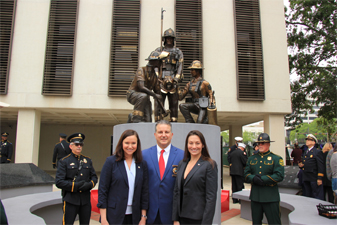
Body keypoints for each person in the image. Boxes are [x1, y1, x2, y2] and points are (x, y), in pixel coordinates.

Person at [97, 129, 149, 225]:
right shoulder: (111, 162)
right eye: (127, 143)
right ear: (121, 143)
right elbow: (103, 190)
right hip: (113, 215)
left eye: (133, 143)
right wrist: (104, 218)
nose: (130, 146)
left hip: (134, 216)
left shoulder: (142, 164)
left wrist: (143, 217)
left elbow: (144, 192)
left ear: (137, 145)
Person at [142, 120, 184, 225]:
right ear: (155, 135)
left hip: (171, 214)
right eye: (160, 132)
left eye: (167, 132)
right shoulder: (144, 155)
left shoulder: (182, 156)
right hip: (150, 213)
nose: (163, 135)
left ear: (172, 135)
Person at [172, 130, 218, 225]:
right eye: (191, 143)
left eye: (197, 143)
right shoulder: (182, 163)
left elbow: (211, 197)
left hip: (198, 219)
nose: (194, 146)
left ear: (203, 145)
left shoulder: (209, 165)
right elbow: (177, 191)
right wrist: (175, 218)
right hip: (182, 218)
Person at [55, 133, 98, 225]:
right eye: (76, 144)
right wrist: (76, 185)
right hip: (71, 199)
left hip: (85, 200)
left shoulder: (87, 160)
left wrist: (89, 185)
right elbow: (59, 182)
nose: (79, 146)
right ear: (71, 146)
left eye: (81, 144)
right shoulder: (64, 162)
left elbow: (94, 177)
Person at [244, 133, 284, 225]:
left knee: (274, 222)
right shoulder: (252, 159)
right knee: (256, 222)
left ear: (268, 144)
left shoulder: (276, 158)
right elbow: (246, 175)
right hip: (256, 196)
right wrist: (254, 178)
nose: (260, 145)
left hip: (270, 197)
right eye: (259, 143)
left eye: (263, 143)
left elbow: (279, 175)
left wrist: (263, 179)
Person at [127, 51, 166, 123]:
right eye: (160, 61)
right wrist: (155, 95)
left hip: (145, 98)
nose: (161, 63)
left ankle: (133, 117)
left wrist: (162, 108)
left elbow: (157, 93)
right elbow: (141, 87)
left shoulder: (154, 76)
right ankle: (135, 118)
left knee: (148, 120)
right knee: (143, 96)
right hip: (133, 94)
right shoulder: (141, 70)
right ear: (155, 62)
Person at [154, 28, 184, 122]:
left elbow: (180, 65)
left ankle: (173, 120)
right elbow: (154, 63)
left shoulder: (178, 52)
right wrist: (157, 75)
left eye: (171, 38)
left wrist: (177, 78)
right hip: (161, 79)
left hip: (173, 78)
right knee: (159, 102)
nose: (169, 40)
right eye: (168, 38)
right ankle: (158, 120)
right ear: (164, 39)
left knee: (174, 103)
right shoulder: (159, 50)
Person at [298, 134, 324, 200]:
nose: (307, 141)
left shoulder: (317, 152)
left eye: (309, 140)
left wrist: (320, 178)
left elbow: (320, 165)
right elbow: (307, 163)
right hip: (306, 176)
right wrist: (302, 165)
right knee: (308, 196)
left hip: (314, 177)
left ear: (313, 142)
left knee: (316, 196)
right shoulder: (306, 152)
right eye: (307, 140)